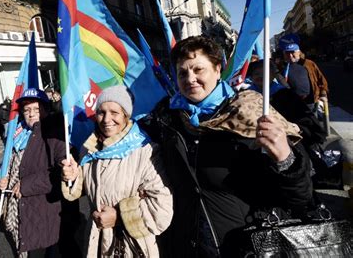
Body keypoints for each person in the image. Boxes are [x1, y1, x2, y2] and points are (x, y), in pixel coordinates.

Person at [143, 36, 313, 257]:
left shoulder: (252, 112)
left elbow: (301, 196)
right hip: (188, 246)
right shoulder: (166, 118)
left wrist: (285, 159)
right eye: (182, 73)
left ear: (216, 69)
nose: (190, 79)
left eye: (198, 70)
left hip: (248, 246)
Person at [61, 85, 173, 257]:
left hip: (131, 247)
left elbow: (162, 208)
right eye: (101, 112)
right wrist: (73, 176)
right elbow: (85, 189)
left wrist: (119, 216)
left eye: (114, 112)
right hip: (96, 245)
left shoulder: (144, 151)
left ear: (126, 116)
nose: (106, 119)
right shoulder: (89, 149)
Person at [0, 88, 68, 257]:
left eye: (37, 109)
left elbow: (61, 173)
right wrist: (2, 176)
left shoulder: (54, 133)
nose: (31, 114)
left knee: (42, 249)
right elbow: (10, 160)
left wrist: (27, 185)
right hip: (17, 202)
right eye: (27, 110)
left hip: (41, 207)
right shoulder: (18, 131)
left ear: (46, 109)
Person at [281, 40, 329, 113]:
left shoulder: (308, 64)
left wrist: (323, 94)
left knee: (312, 122)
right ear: (284, 54)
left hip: (310, 103)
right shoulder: (282, 67)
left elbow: (321, 79)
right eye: (287, 53)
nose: (290, 55)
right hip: (292, 104)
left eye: (293, 52)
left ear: (299, 52)